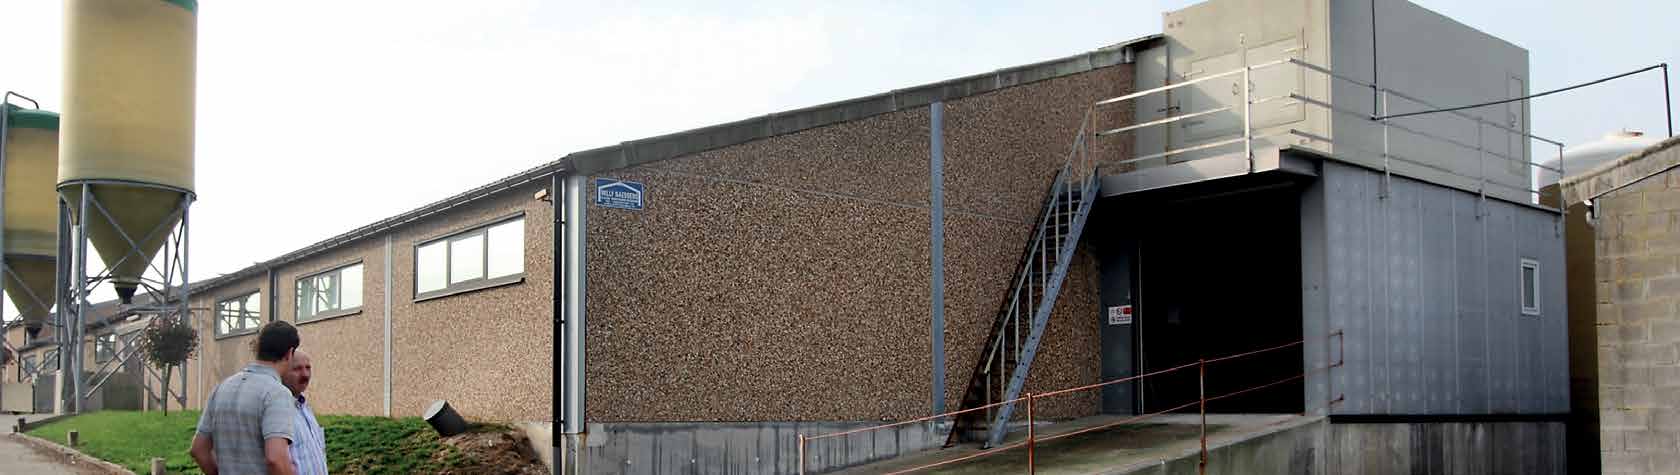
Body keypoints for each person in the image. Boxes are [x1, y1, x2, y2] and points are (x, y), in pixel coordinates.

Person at [190, 321, 300, 475]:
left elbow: (198, 449)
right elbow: (276, 459)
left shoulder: (221, 388)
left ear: (258, 348)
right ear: (290, 353)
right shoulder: (277, 393)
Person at [283, 350, 327, 475]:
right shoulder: (279, 411)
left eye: (308, 368)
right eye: (297, 369)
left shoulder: (305, 408)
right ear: (282, 372)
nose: (305, 374)